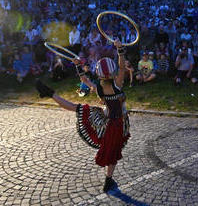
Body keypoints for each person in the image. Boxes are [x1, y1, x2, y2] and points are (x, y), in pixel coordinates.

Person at [35, 40, 130, 193]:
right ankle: (108, 180)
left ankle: (51, 94)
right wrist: (120, 50)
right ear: (111, 73)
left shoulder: (99, 88)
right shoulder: (117, 85)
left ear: (99, 73)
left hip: (104, 120)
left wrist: (78, 65)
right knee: (113, 151)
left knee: (77, 108)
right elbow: (121, 67)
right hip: (117, 124)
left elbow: (84, 80)